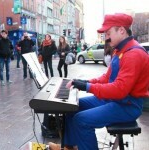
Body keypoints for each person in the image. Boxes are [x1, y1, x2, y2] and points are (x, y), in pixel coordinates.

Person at [49, 13, 149, 150]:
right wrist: (83, 82)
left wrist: (87, 87)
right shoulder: (120, 50)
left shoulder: (134, 54)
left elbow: (119, 89)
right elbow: (106, 78)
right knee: (72, 107)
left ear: (121, 30)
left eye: (108, 33)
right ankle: (70, 147)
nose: (106, 37)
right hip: (115, 100)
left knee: (82, 120)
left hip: (127, 106)